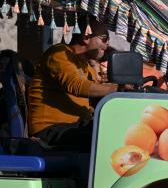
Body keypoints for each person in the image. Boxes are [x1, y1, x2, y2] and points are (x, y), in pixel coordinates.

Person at [27, 20, 121, 149]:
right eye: (104, 38)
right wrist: (117, 88)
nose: (107, 43)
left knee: (116, 129)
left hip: (74, 126)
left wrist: (124, 88)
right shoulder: (60, 53)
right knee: (103, 138)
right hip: (50, 129)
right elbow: (77, 86)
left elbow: (96, 97)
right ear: (86, 37)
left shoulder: (87, 67)